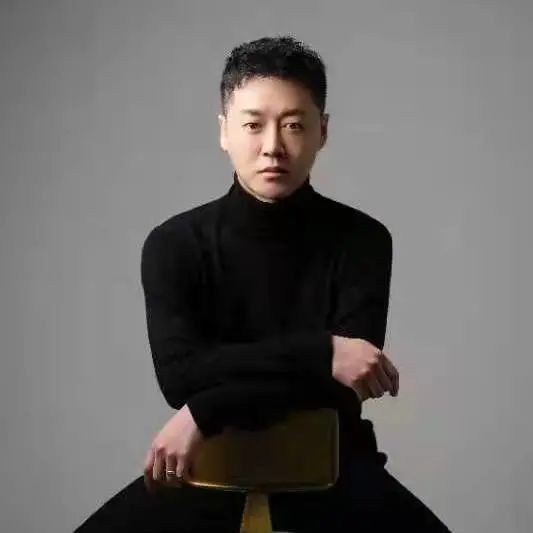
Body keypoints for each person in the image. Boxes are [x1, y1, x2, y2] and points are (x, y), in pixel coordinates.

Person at [74, 35, 452, 532]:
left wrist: (204, 409)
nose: (273, 146)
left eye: (294, 125)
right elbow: (180, 377)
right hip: (203, 471)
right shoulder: (174, 243)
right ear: (224, 131)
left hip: (334, 471)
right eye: (253, 125)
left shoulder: (363, 239)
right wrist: (323, 352)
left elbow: (342, 391)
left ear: (322, 131)